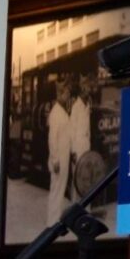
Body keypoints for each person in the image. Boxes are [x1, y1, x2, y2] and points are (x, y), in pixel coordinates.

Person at [45, 78, 73, 227]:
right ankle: (52, 222)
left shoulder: (62, 111)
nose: (68, 96)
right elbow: (52, 140)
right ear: (60, 94)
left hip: (64, 156)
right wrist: (55, 160)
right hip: (58, 159)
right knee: (56, 189)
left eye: (69, 93)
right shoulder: (56, 113)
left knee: (60, 189)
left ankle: (56, 220)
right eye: (66, 93)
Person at [69, 72, 95, 196]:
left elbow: (88, 129)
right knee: (77, 181)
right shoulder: (76, 107)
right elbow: (72, 130)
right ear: (83, 88)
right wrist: (73, 151)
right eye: (88, 87)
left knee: (86, 180)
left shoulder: (87, 105)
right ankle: (76, 209)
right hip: (77, 149)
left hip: (86, 147)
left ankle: (85, 210)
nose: (90, 90)